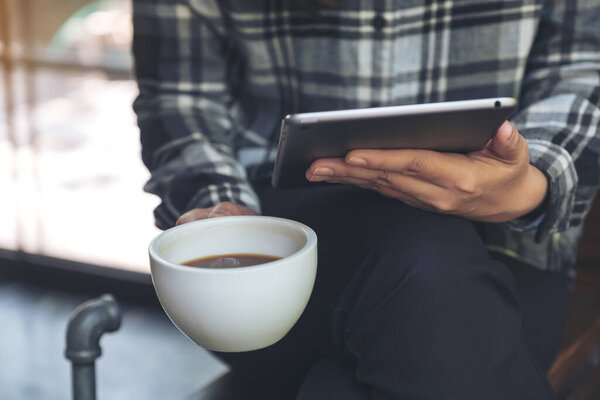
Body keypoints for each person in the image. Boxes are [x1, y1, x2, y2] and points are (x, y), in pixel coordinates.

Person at [132, 0, 600, 398]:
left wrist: (531, 179)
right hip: (280, 252)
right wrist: (225, 213)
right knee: (423, 261)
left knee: (346, 380)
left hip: (505, 240)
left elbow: (583, 63)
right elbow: (182, 98)